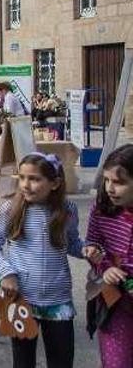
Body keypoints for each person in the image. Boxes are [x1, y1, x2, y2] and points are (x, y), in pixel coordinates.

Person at [0, 153, 87, 368]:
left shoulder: (67, 211)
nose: (26, 185)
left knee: (62, 359)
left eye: (34, 179)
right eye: (21, 177)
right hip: (21, 299)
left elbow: (72, 243)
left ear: (55, 183)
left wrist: (87, 250)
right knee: (22, 361)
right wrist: (6, 273)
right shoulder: (9, 210)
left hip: (58, 301)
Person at [84, 144, 133, 368]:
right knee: (116, 362)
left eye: (119, 182)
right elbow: (92, 244)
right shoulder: (102, 208)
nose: (110, 188)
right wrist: (103, 265)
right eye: (107, 180)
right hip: (114, 304)